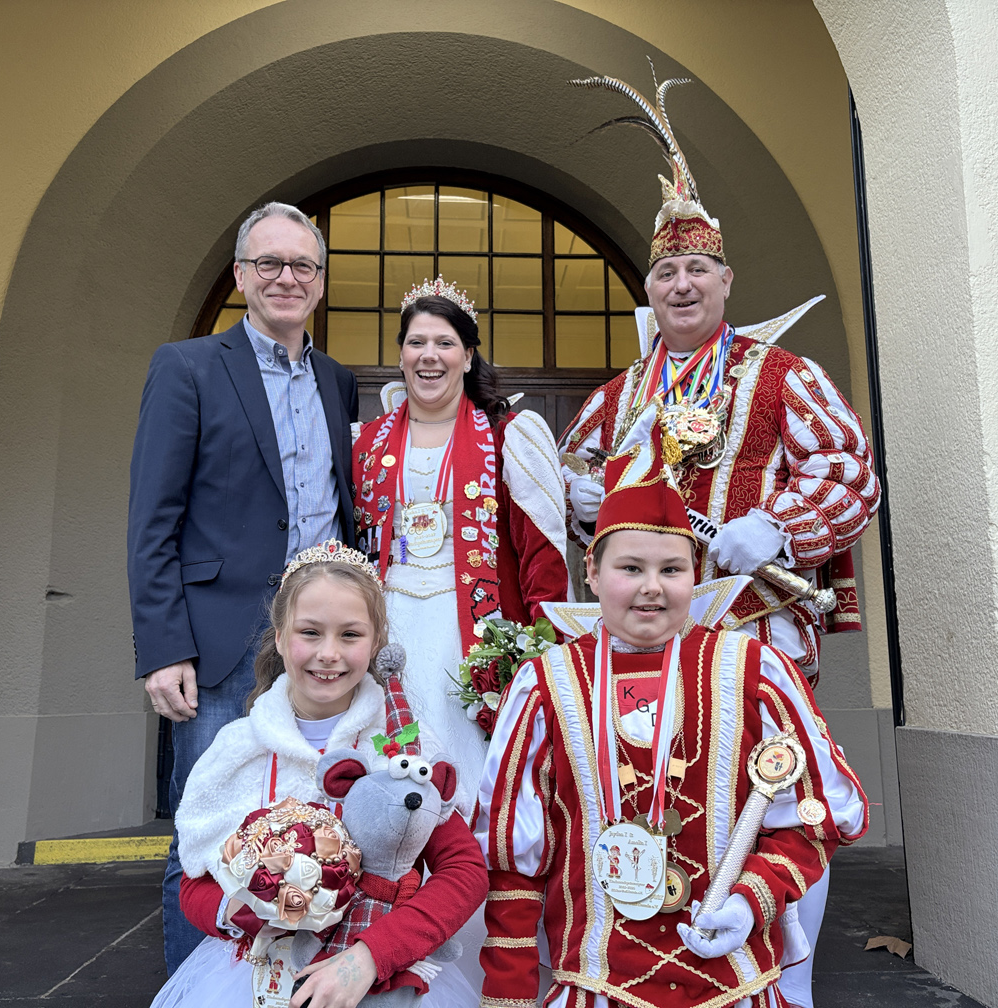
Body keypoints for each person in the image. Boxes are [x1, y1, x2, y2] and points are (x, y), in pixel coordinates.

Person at [561, 71, 881, 1005]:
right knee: (652, 803)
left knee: (777, 803)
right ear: (648, 291)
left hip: (756, 638)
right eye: (664, 271)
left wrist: (774, 526)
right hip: (637, 646)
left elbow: (853, 474)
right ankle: (656, 976)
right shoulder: (617, 399)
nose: (680, 282)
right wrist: (580, 501)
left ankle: (789, 984)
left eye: (696, 268)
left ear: (726, 281)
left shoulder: (783, 375)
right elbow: (570, 482)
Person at [475, 416, 867, 1008]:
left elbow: (814, 819)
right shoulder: (544, 684)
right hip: (595, 988)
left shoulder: (758, 673)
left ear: (697, 574)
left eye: (672, 569)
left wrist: (752, 899)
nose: (651, 588)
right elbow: (512, 869)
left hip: (736, 988)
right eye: (630, 568)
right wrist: (506, 1000)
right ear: (592, 572)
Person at [128, 201, 360, 972]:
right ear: (240, 276)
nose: (286, 278)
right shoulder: (187, 367)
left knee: (305, 824)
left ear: (319, 282)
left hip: (316, 646)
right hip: (221, 647)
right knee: (207, 834)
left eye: (302, 265)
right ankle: (196, 989)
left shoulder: (337, 381)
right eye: (269, 264)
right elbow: (152, 519)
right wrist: (164, 649)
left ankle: (279, 982)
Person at [152, 541, 487, 1008]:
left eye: (350, 635)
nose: (328, 653)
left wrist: (371, 956)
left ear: (375, 642)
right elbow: (194, 880)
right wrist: (241, 910)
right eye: (310, 632)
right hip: (255, 977)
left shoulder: (403, 744)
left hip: (378, 972)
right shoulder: (237, 749)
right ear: (280, 633)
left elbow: (464, 871)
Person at [352, 277, 569, 803]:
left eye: (445, 343)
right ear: (401, 355)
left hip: (473, 626)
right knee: (383, 755)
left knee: (466, 766)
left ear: (469, 356)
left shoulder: (508, 435)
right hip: (388, 621)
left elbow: (542, 555)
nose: (430, 356)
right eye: (416, 342)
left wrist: (547, 649)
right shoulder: (365, 441)